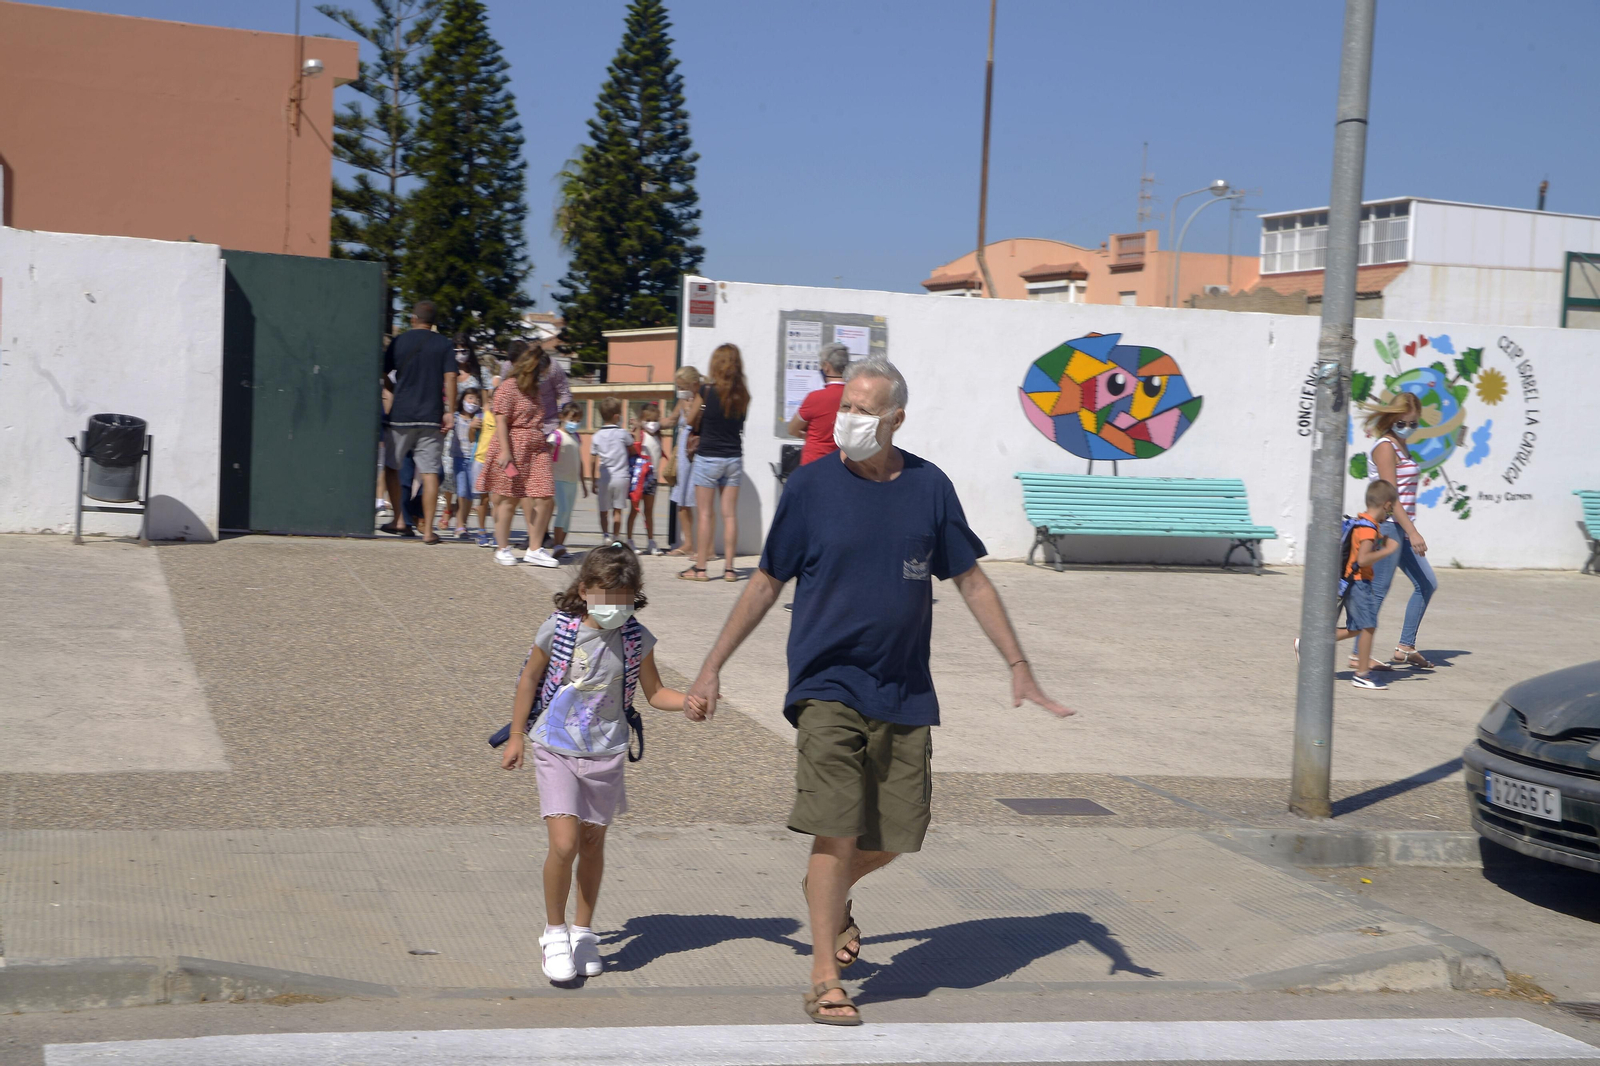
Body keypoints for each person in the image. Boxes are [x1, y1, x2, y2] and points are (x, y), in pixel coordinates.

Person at [683, 357, 1072, 1025]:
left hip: (903, 687)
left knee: (897, 834)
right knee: (835, 829)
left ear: (896, 419)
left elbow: (971, 579)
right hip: (825, 684)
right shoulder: (810, 488)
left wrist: (1018, 662)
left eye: (863, 411)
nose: (849, 420)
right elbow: (766, 581)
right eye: (845, 408)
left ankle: (827, 891)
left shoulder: (929, 487)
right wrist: (712, 665)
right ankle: (825, 979)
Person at [500, 543, 689, 984]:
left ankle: (583, 933)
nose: (615, 608)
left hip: (606, 753)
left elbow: (656, 693)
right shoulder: (559, 629)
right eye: (607, 597)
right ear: (584, 590)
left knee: (591, 843)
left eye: (624, 599)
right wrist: (516, 736)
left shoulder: (636, 638)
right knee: (564, 844)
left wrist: (690, 702)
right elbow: (529, 678)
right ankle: (554, 933)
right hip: (555, 747)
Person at [1362, 392, 1438, 670]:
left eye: (1413, 423)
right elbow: (1390, 499)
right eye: (1402, 422)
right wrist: (1413, 532)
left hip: (1400, 528)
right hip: (1388, 528)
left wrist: (1409, 531)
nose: (1407, 428)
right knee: (1377, 591)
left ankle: (1405, 647)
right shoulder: (1385, 447)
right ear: (1391, 419)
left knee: (1427, 584)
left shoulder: (1402, 446)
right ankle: (1358, 654)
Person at [381, 300, 457, 543]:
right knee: (430, 472)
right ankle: (428, 531)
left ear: (413, 319)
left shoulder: (399, 341)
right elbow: (451, 378)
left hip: (401, 415)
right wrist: (450, 411)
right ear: (434, 322)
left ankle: (399, 520)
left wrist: (393, 388)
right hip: (431, 417)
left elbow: (384, 373)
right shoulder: (444, 344)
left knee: (392, 466)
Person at [478, 343, 559, 568]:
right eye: (541, 373)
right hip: (513, 445)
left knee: (545, 496)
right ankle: (502, 548)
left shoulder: (535, 391)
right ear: (531, 369)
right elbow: (501, 421)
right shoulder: (508, 387)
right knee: (508, 498)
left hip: (537, 447)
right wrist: (506, 451)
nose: (543, 377)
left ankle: (535, 549)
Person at [681, 344, 748, 583]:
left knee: (705, 514)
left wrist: (690, 406)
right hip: (733, 457)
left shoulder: (706, 390)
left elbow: (690, 421)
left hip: (708, 457)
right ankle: (729, 569)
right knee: (729, 516)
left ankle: (700, 569)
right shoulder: (743, 394)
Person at [1331, 479, 1403, 691]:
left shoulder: (1364, 523)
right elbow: (1362, 559)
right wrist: (1388, 550)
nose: (1390, 513)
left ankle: (1310, 644)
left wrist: (1382, 542)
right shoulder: (1368, 528)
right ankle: (1362, 674)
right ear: (1387, 505)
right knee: (1368, 626)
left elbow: (1364, 548)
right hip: (1359, 583)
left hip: (1355, 582)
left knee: (1356, 628)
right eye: (1391, 509)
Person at [787, 342, 849, 465]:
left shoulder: (815, 398)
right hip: (842, 464)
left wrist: (809, 435)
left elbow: (792, 429)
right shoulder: (855, 396)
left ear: (826, 366)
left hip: (813, 463)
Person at [664, 366, 703, 558]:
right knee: (681, 499)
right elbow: (671, 420)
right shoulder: (682, 400)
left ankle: (703, 546)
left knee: (700, 500)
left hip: (696, 451)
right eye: (678, 387)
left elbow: (696, 423)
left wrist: (690, 411)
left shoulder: (702, 398)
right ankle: (688, 543)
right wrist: (649, 424)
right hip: (683, 452)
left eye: (682, 386)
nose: (680, 390)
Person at [589, 397, 632, 540]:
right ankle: (616, 537)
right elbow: (632, 448)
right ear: (616, 416)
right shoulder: (623, 433)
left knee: (603, 510)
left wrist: (593, 480)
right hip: (621, 477)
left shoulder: (596, 436)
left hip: (605, 478)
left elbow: (592, 460)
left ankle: (606, 535)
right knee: (617, 510)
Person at [550, 402, 587, 559]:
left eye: (578, 421)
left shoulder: (576, 437)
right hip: (558, 480)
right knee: (563, 510)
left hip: (572, 482)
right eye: (572, 419)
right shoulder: (555, 436)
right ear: (562, 417)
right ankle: (557, 545)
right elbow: (548, 457)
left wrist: (583, 483)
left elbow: (579, 461)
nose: (574, 424)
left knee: (568, 514)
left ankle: (561, 546)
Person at [627, 402, 663, 555]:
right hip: (640, 477)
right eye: (648, 420)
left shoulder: (658, 436)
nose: (652, 424)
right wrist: (637, 430)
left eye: (655, 420)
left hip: (652, 478)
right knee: (634, 510)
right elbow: (634, 449)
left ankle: (651, 541)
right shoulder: (640, 434)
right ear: (642, 420)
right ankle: (629, 540)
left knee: (649, 510)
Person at [448, 388, 483, 538]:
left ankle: (463, 523)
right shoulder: (456, 417)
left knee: (469, 494)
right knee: (461, 491)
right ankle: (459, 525)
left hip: (474, 459)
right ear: (463, 399)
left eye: (476, 399)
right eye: (470, 398)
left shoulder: (479, 419)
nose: (473, 402)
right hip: (459, 457)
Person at [538, 344, 574, 436]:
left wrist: (563, 420)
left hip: (551, 424)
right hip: (529, 425)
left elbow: (564, 393)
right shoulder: (520, 370)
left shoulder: (554, 367)